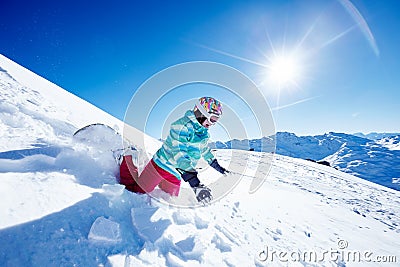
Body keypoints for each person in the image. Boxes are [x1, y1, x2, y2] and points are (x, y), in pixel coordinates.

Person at [119, 96, 229, 204]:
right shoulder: (181, 126)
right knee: (137, 190)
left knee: (170, 200)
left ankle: (160, 182)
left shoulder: (203, 134)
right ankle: (127, 157)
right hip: (161, 165)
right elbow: (180, 154)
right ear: (201, 113)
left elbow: (204, 150)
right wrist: (195, 183)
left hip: (176, 173)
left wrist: (218, 167)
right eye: (213, 119)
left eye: (216, 120)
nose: (213, 123)